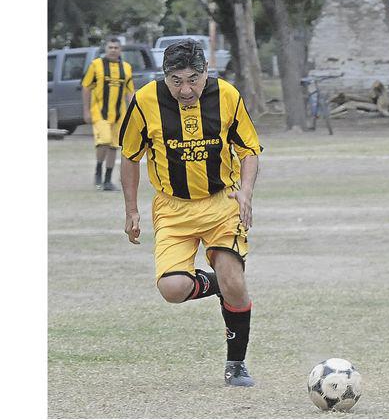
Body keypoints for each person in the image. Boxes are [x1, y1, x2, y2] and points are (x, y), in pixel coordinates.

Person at [118, 39, 263, 387]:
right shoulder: (144, 101)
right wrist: (131, 210)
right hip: (172, 208)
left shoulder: (227, 95)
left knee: (235, 282)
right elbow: (129, 157)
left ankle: (237, 364)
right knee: (172, 289)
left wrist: (245, 192)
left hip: (220, 203)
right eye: (176, 80)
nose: (186, 89)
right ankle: (214, 285)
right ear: (164, 77)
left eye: (193, 79)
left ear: (206, 73)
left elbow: (249, 150)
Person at [82, 37, 135, 190]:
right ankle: (98, 170)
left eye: (116, 48)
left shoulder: (126, 68)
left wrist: (133, 113)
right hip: (100, 113)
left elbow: (130, 91)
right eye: (110, 47)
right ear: (105, 49)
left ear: (120, 50)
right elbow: (86, 87)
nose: (113, 50)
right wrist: (86, 110)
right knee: (104, 141)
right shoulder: (96, 65)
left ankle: (107, 180)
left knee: (114, 147)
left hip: (119, 115)